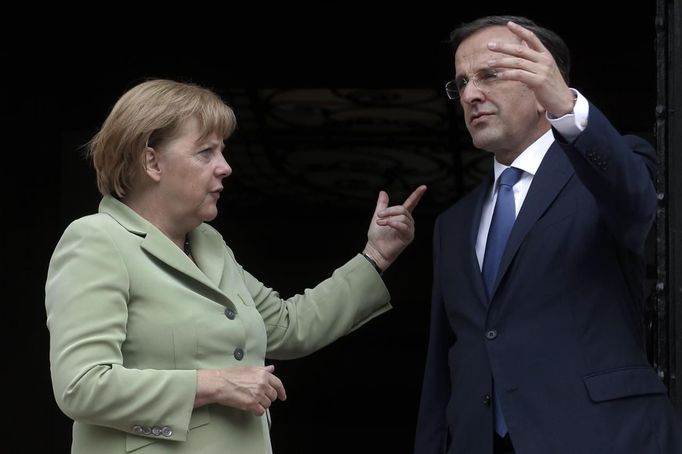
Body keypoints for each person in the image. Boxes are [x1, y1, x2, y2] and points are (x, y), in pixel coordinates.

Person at [45, 78, 427, 454]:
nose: (225, 167)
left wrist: (376, 256)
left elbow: (288, 327)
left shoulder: (210, 244)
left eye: (222, 151)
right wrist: (214, 384)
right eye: (206, 152)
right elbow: (81, 385)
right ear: (152, 162)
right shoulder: (97, 239)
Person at [414, 15, 682, 454]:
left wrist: (567, 109)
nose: (470, 94)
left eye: (489, 75)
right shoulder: (453, 224)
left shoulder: (610, 169)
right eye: (460, 83)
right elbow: (442, 372)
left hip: (599, 437)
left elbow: (637, 202)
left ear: (543, 85)